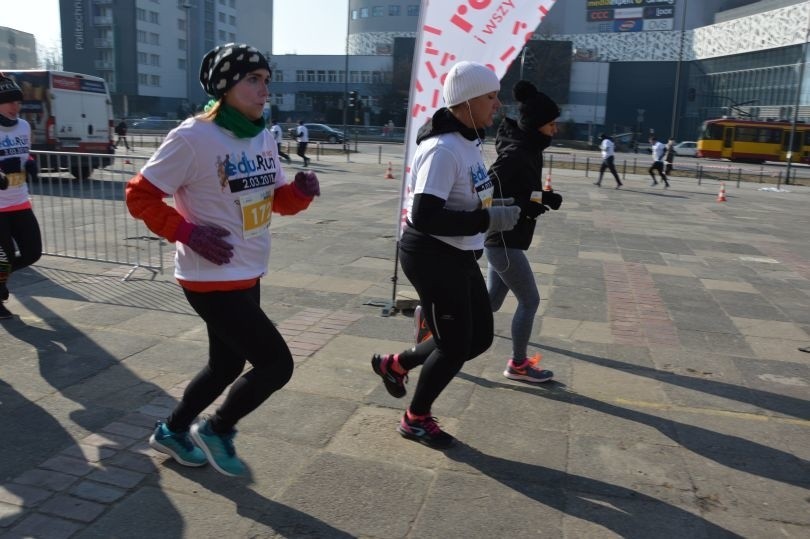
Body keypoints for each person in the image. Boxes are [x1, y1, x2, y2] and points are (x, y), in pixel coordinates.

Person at [125, 43, 321, 476]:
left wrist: (300, 194)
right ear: (225, 86)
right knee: (276, 364)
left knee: (226, 364)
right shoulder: (193, 137)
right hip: (208, 276)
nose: (263, 90)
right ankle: (216, 429)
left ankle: (171, 431)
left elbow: (273, 202)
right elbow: (139, 195)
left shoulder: (263, 136)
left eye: (266, 80)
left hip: (247, 269)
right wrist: (186, 231)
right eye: (252, 80)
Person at [370, 61, 520, 449]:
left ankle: (396, 364)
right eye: (491, 96)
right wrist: (487, 218)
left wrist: (505, 207)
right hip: (432, 256)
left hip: (459, 254)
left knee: (479, 338)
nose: (497, 104)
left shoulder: (468, 142)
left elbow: (468, 198)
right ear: (467, 101)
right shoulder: (442, 149)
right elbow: (424, 214)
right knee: (455, 345)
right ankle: (415, 418)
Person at [485, 80, 562, 384]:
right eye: (551, 124)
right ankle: (518, 364)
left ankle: (433, 313)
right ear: (535, 125)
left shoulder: (531, 148)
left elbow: (519, 191)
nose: (555, 130)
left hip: (507, 237)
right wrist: (524, 205)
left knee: (491, 303)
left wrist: (543, 197)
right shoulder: (517, 153)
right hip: (503, 238)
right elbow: (485, 192)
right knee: (529, 301)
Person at [0, 73, 42, 320]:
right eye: (10, 102)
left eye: (18, 102)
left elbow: (25, 155)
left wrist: (32, 163)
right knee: (3, 257)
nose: (17, 106)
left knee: (32, 252)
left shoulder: (24, 126)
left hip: (20, 201)